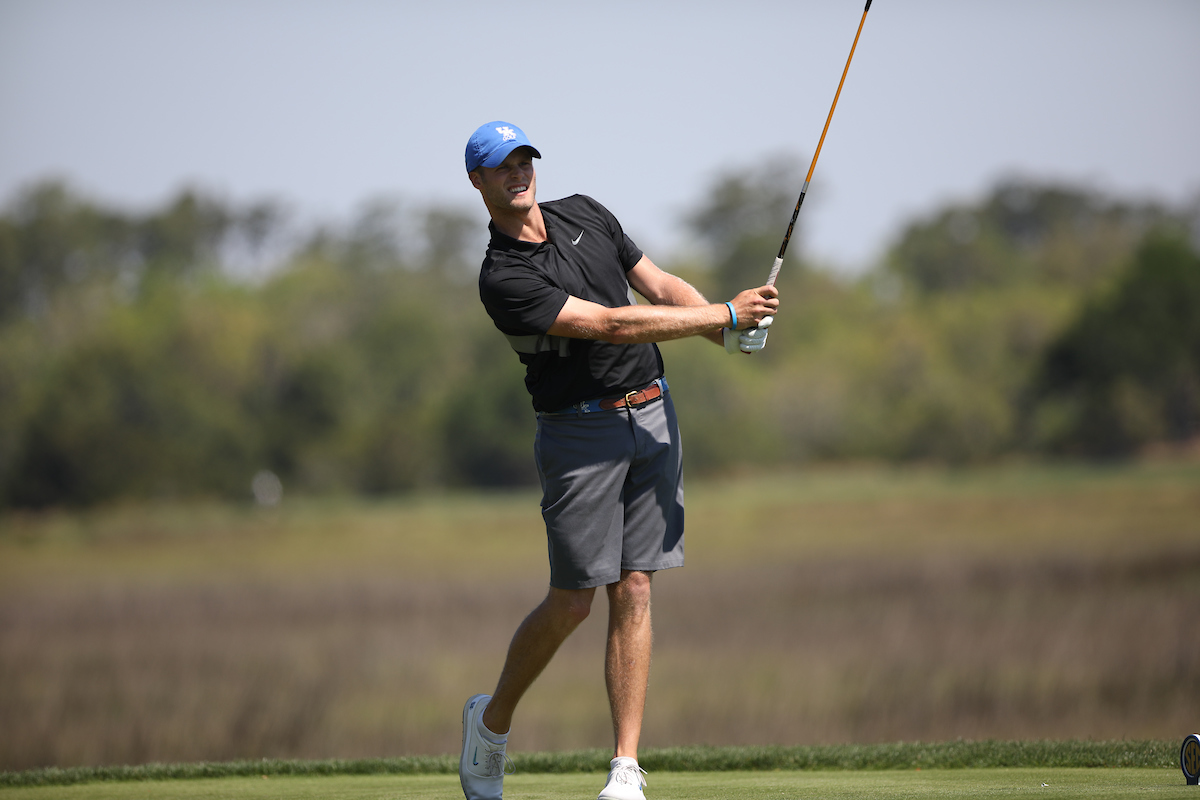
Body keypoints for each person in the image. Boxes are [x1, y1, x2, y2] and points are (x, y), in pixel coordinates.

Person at [459, 121, 779, 800]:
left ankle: (625, 768)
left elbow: (657, 287)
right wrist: (723, 313)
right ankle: (490, 725)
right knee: (572, 601)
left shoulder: (587, 213)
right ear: (477, 182)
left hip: (653, 411)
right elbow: (612, 322)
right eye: (501, 166)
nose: (518, 173)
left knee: (636, 586)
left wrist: (727, 333)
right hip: (580, 436)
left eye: (524, 160)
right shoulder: (503, 277)